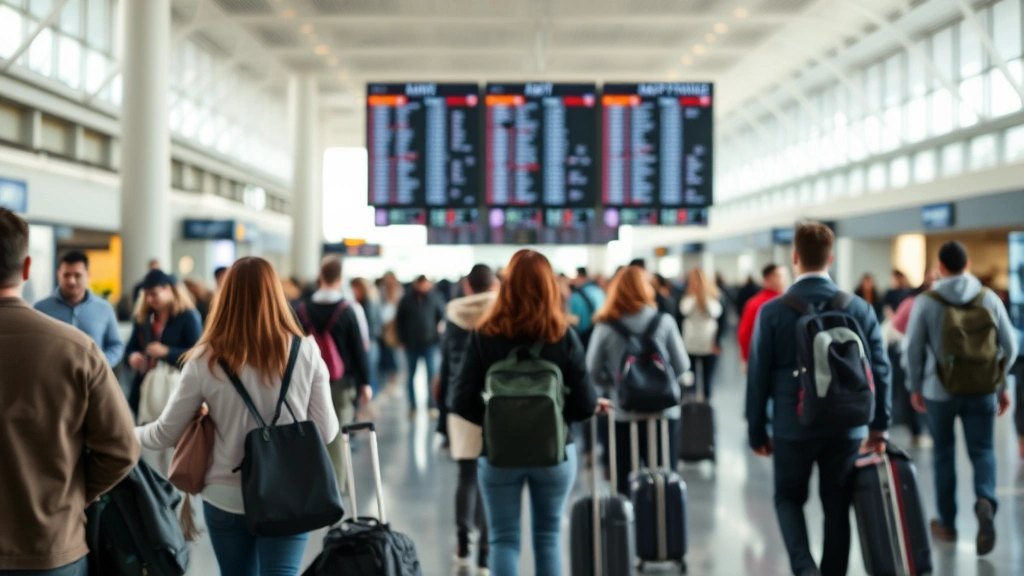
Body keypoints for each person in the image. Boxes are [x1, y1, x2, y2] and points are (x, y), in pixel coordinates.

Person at [135, 257, 339, 576]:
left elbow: (163, 435)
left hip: (225, 493)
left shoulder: (204, 358)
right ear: (275, 294)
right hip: (289, 491)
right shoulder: (306, 351)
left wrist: (126, 432)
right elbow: (326, 432)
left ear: (225, 296)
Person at [746, 222, 890, 576]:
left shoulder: (774, 312)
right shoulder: (858, 308)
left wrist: (756, 430)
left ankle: (804, 567)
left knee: (788, 498)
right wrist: (880, 425)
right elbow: (882, 369)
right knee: (836, 505)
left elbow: (758, 375)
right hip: (847, 426)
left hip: (791, 424)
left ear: (795, 258)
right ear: (832, 257)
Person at [0, 208, 139, 574]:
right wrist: (75, 495)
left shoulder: (91, 332)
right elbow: (123, 449)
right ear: (28, 268)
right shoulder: (77, 350)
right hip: (51, 543)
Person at [451, 250, 605, 576]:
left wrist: (495, 422)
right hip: (555, 451)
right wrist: (558, 415)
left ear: (505, 286)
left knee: (504, 539)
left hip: (498, 453)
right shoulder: (562, 335)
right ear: (550, 286)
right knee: (548, 538)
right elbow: (584, 403)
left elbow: (460, 399)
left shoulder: (484, 334)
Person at [903, 241, 1018, 555]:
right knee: (982, 451)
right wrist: (1000, 383)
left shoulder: (926, 301)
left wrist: (915, 386)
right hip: (982, 389)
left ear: (940, 266)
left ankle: (948, 524)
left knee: (943, 454)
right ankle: (985, 500)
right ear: (967, 265)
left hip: (938, 391)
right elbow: (1011, 346)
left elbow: (912, 349)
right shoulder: (989, 298)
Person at [587, 265, 690, 495]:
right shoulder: (664, 322)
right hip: (664, 413)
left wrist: (615, 385)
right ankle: (662, 523)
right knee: (665, 478)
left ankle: (629, 522)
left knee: (625, 481)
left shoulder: (605, 326)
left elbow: (592, 370)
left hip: (624, 412)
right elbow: (683, 366)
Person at [437, 264, 500, 571]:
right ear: (494, 286)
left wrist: (442, 412)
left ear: (467, 286)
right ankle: (486, 551)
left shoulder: (453, 316)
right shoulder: (503, 312)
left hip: (460, 403)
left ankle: (464, 541)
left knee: (466, 475)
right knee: (490, 477)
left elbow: (447, 365)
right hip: (496, 403)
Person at [295, 257, 372, 494]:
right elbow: (359, 350)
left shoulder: (302, 309)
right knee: (338, 434)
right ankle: (336, 488)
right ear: (339, 279)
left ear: (321, 277)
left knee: (311, 432)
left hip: (308, 379)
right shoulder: (348, 309)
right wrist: (365, 383)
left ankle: (326, 481)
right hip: (340, 382)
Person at [123, 269, 203, 416]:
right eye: (146, 295)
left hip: (176, 387)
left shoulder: (188, 317)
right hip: (145, 387)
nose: (149, 300)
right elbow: (130, 348)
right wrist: (132, 357)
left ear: (168, 289)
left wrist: (167, 352)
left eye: (154, 294)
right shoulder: (144, 318)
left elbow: (197, 355)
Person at [34, 250, 125, 367]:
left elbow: (116, 345)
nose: (71, 281)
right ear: (58, 275)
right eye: (66, 275)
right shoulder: (40, 309)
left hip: (93, 382)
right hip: (54, 381)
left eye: (77, 275)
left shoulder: (105, 308)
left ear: (88, 275)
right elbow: (34, 347)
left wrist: (101, 366)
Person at [396, 275, 446, 418]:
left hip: (430, 344)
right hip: (411, 344)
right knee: (411, 376)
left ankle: (432, 405)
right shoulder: (406, 299)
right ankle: (413, 407)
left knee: (432, 375)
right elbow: (400, 321)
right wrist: (402, 340)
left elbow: (442, 316)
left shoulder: (435, 298)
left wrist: (439, 333)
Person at [680, 267, 723, 400]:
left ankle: (706, 410)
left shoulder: (714, 298)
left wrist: (718, 342)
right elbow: (683, 311)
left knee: (707, 379)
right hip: (690, 343)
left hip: (708, 343)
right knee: (690, 379)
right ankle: (691, 409)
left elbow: (718, 315)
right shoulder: (687, 298)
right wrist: (694, 296)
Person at [737, 264, 787, 364]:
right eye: (780, 276)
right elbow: (745, 333)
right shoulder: (756, 304)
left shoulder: (787, 300)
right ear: (769, 278)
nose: (784, 280)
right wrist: (746, 358)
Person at [351, 277, 383, 397]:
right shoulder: (373, 300)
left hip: (367, 343)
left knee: (367, 375)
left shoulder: (365, 304)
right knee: (371, 374)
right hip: (373, 342)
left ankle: (367, 403)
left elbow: (366, 326)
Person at [567, 266, 605, 346]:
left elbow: (574, 321)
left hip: (583, 338)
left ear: (580, 276)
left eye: (575, 276)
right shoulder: (600, 291)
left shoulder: (576, 296)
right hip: (599, 334)